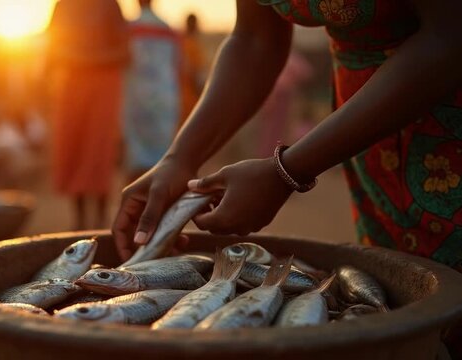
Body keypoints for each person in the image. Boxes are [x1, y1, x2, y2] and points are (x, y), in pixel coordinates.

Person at [112, 1, 462, 269]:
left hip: (440, 116)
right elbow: (254, 38)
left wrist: (287, 170)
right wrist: (181, 157)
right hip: (365, 132)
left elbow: (448, 36)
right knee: (403, 287)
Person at [47, 0, 129, 230]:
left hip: (103, 85)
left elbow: (124, 52)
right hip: (72, 84)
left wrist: (85, 58)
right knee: (73, 147)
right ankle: (80, 221)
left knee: (99, 149)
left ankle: (101, 220)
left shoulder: (109, 5)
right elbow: (53, 46)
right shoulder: (63, 5)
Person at [123, 0, 181, 184]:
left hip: (135, 96)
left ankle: (132, 204)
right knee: (162, 155)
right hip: (164, 95)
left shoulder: (128, 29)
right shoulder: (168, 30)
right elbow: (179, 65)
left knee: (136, 155)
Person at [179, 13, 206, 126]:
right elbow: (196, 76)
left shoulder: (179, 43)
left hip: (177, 101)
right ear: (195, 26)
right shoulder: (193, 47)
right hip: (190, 102)